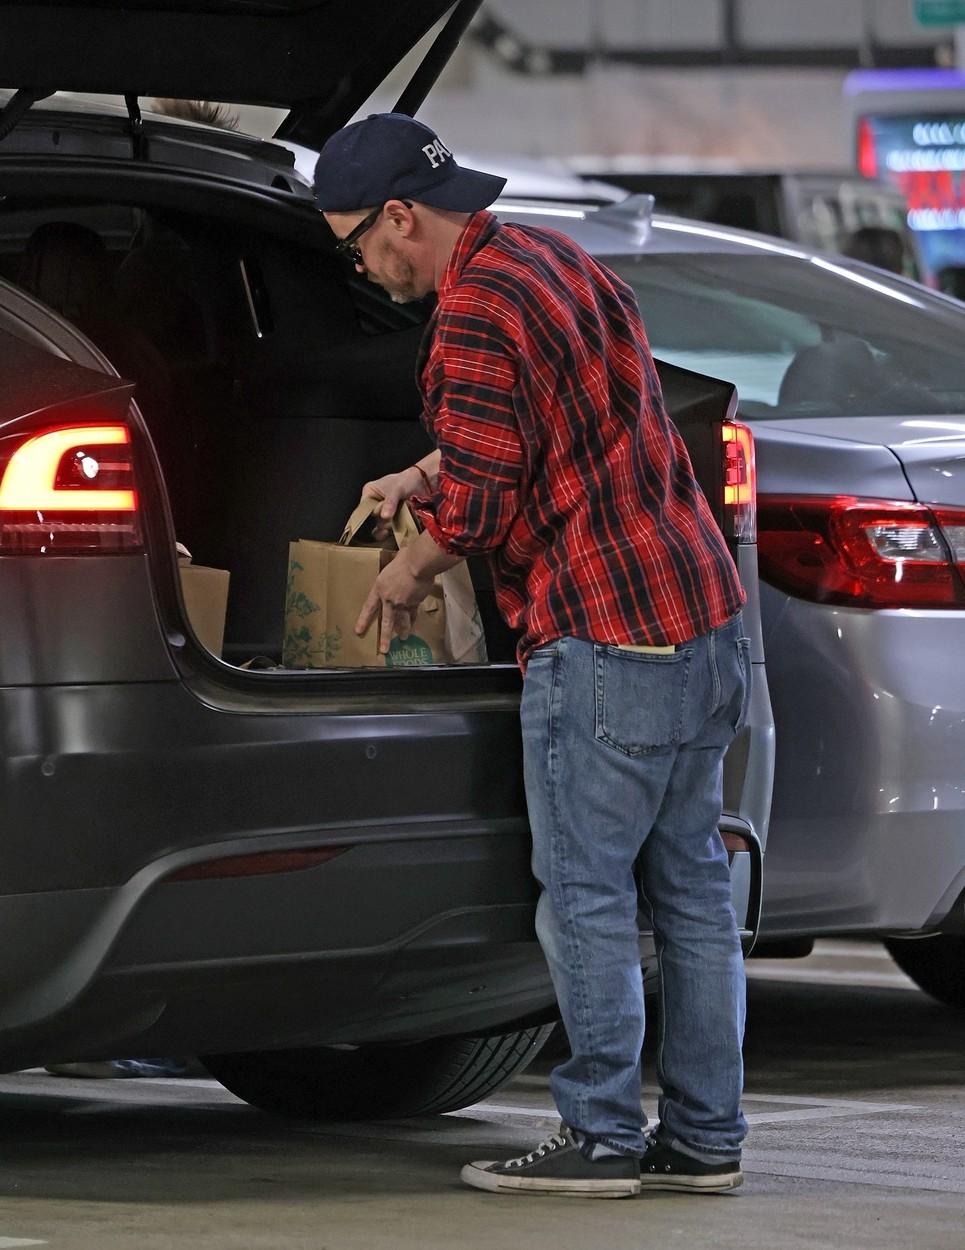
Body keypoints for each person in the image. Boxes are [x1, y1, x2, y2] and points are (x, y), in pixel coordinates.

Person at [314, 113, 750, 1199]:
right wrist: (421, 475)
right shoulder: (547, 258)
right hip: (700, 615)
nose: (360, 265)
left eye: (355, 242)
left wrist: (403, 569)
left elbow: (484, 496)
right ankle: (704, 1138)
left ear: (400, 216)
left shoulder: (464, 315)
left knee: (587, 897)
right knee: (692, 892)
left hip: (603, 630)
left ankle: (598, 1136)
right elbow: (545, 415)